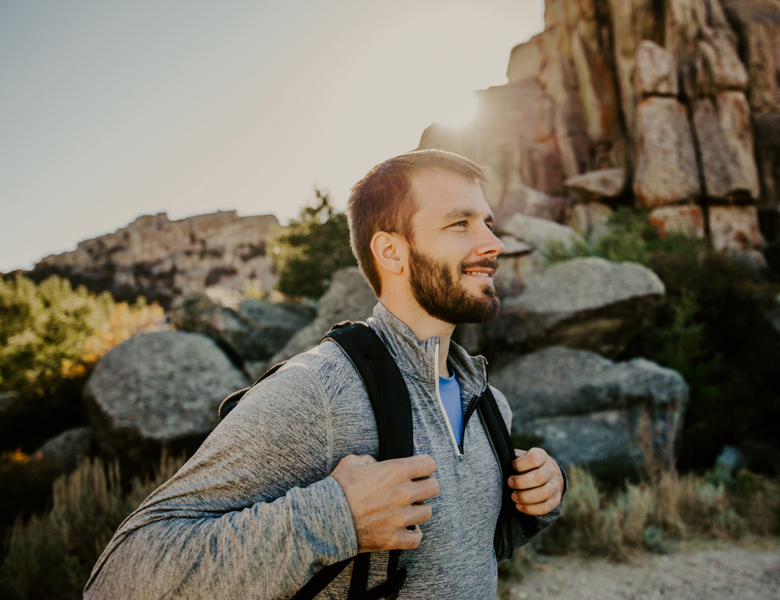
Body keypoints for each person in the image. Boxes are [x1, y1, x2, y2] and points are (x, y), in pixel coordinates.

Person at [84, 149, 565, 600]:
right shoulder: (321, 390)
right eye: (460, 223)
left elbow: (461, 558)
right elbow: (118, 579)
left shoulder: (488, 401)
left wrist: (541, 499)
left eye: (487, 222)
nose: (493, 243)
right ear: (392, 253)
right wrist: (336, 515)